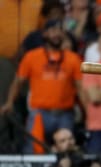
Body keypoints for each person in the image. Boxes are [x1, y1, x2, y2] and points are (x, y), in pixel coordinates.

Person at [1, 19, 85, 154]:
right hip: (39, 113)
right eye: (52, 31)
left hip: (65, 113)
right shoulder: (31, 57)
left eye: (58, 30)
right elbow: (18, 82)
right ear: (44, 34)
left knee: (67, 151)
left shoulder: (73, 59)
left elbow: (81, 88)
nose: (56, 34)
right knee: (33, 151)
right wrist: (10, 102)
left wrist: (88, 111)